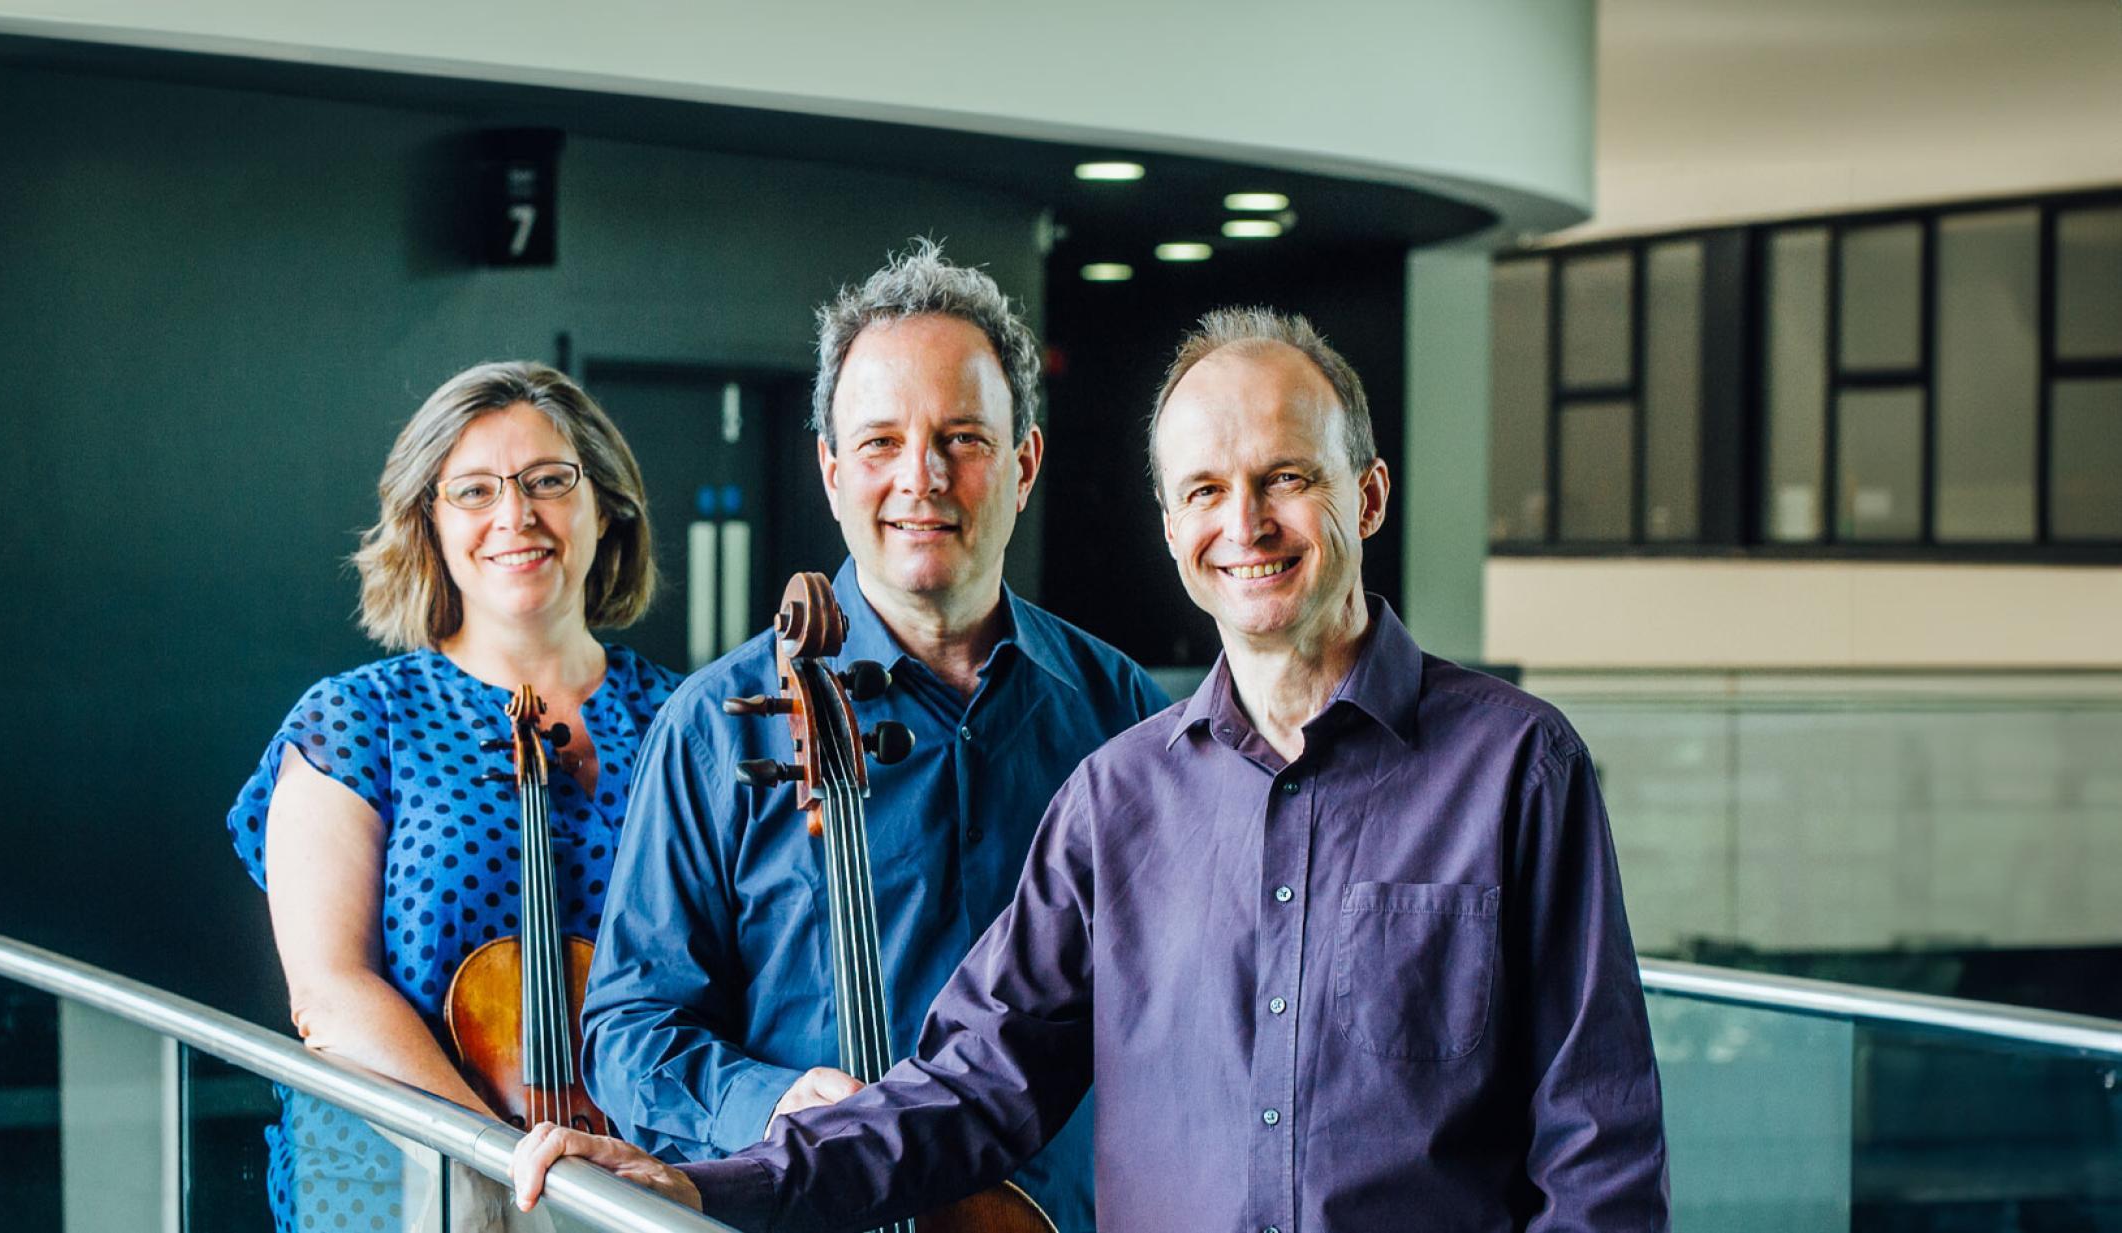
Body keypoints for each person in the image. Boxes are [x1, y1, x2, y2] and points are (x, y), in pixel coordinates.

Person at [516, 308, 1671, 1231]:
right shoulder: (1121, 793)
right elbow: (973, 1083)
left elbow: (1596, 1151)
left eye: (1287, 478)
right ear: (1171, 530)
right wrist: (709, 1182)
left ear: (1363, 498)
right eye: (1206, 491)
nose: (1247, 523)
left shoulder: (1518, 768)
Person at [576, 241, 1165, 1233]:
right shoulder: (715, 727)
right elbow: (629, 1030)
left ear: (1022, 465)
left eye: (963, 438)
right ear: (830, 467)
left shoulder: (1123, 715)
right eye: (881, 441)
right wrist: (769, 1103)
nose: (921, 478)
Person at [225, 361, 682, 1233]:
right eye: (473, 490)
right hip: (403, 1162)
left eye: (549, 480)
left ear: (607, 504)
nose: (516, 516)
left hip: (641, 1166)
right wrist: (486, 1157)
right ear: (428, 524)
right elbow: (329, 991)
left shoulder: (685, 718)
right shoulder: (358, 719)